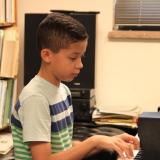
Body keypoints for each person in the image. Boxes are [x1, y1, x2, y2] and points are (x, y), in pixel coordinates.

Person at [11, 12, 139, 160]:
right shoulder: (35, 99)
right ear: (47, 55)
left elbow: (64, 148)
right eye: (73, 57)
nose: (80, 65)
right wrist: (94, 141)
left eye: (81, 57)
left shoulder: (64, 91)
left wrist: (107, 142)